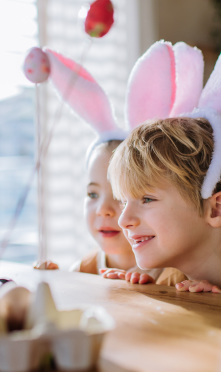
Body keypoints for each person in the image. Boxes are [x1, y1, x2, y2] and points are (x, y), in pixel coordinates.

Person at [107, 8, 221, 295]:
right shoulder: (168, 276)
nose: (123, 219)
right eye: (124, 201)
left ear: (216, 209)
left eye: (146, 198)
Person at [33, 48, 186, 286]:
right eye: (92, 194)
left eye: (120, 196)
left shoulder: (175, 277)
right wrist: (56, 283)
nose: (104, 209)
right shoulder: (84, 270)